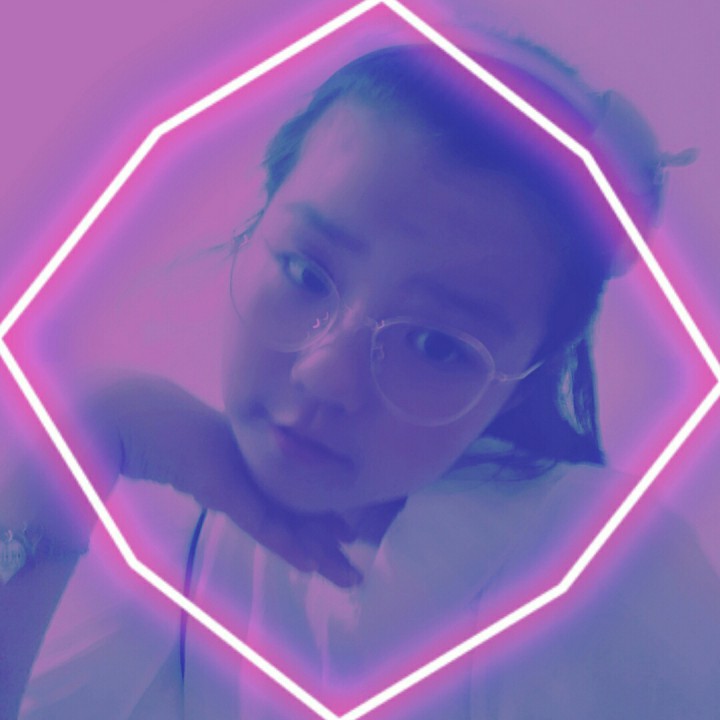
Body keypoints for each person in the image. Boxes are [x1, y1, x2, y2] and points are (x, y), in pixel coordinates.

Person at [4, 34, 719, 720]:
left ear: (524, 378)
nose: (323, 376)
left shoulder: (602, 574)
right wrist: (78, 445)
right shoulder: (187, 509)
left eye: (436, 345)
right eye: (303, 272)